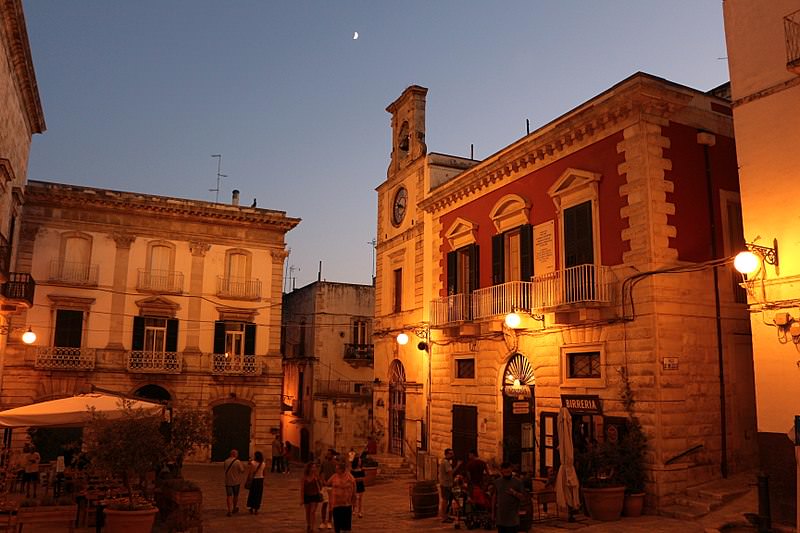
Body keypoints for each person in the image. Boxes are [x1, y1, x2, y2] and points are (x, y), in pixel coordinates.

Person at [491, 462, 526, 533]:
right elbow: (494, 498)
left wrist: (514, 493)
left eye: (508, 471)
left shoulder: (518, 482)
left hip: (513, 518)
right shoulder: (497, 482)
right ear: (501, 470)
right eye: (505, 470)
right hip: (501, 517)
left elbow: (523, 498)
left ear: (511, 470)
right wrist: (493, 513)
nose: (507, 472)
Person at [328, 461, 356, 533]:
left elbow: (354, 485)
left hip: (346, 503)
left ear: (342, 469)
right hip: (336, 503)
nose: (336, 470)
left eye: (337, 469)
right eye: (336, 468)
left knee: (346, 523)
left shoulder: (349, 476)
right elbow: (328, 483)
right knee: (337, 522)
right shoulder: (334, 476)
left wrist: (353, 496)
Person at [300, 462, 323, 532]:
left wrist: (318, 480)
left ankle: (312, 527)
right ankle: (309, 524)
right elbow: (302, 489)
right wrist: (301, 499)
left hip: (315, 495)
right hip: (306, 496)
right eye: (312, 467)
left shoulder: (316, 476)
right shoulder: (304, 477)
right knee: (307, 512)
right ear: (309, 468)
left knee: (312, 512)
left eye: (315, 467)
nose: (314, 469)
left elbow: (321, 487)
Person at [223, 449, 246, 517]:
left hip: (228, 481)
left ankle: (229, 510)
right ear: (234, 454)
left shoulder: (226, 461)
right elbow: (242, 470)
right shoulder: (238, 462)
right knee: (235, 495)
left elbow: (224, 469)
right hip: (236, 481)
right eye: (237, 454)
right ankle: (234, 508)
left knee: (229, 496)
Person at [319, 449, 337, 529]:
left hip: (332, 486)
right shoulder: (324, 462)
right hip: (325, 486)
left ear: (332, 455)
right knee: (324, 504)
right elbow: (321, 473)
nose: (328, 455)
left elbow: (337, 475)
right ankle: (323, 521)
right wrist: (323, 481)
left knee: (331, 505)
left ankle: (329, 521)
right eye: (327, 453)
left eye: (329, 454)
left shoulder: (336, 463)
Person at [438, 448, 455, 523]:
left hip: (446, 484)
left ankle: (445, 516)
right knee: (445, 501)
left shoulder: (446, 462)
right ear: (447, 454)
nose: (452, 455)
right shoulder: (445, 462)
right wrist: (458, 465)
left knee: (446, 501)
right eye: (451, 453)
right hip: (445, 484)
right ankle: (443, 517)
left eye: (452, 453)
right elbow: (451, 472)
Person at [350, 451, 366, 518]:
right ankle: (354, 509)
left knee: (360, 499)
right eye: (359, 461)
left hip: (360, 485)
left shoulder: (362, 470)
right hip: (354, 486)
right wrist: (357, 479)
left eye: (360, 461)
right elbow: (352, 479)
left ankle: (360, 511)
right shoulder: (352, 470)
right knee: (354, 498)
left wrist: (356, 479)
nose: (360, 462)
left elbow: (363, 478)